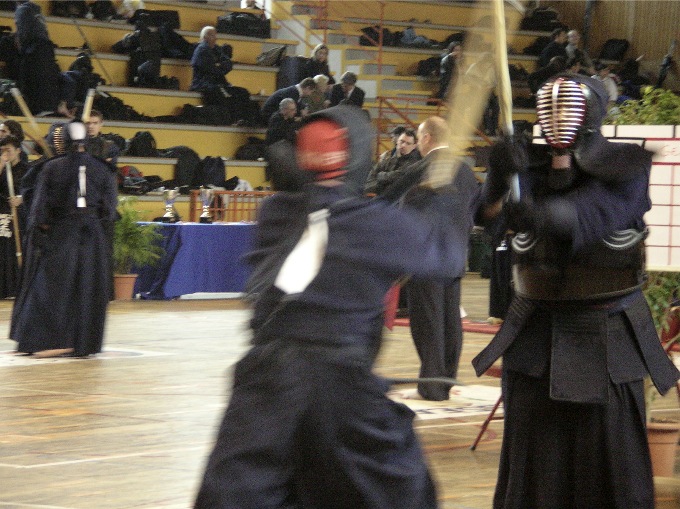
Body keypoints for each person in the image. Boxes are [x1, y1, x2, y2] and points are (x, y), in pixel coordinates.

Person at [193, 106, 472, 508]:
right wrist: (444, 205)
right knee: (401, 493)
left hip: (265, 385)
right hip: (342, 390)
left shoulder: (275, 214)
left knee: (241, 494)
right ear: (358, 157)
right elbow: (446, 259)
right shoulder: (374, 225)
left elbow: (335, 213)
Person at [472, 74, 680, 507]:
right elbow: (487, 218)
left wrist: (538, 214)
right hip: (535, 334)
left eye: (567, 106)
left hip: (606, 334)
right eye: (548, 106)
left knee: (607, 461)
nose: (556, 116)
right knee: (534, 461)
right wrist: (497, 177)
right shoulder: (528, 169)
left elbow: (591, 215)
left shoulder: (626, 168)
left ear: (591, 112)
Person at [10, 122, 118, 358]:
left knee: (50, 287)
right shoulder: (103, 168)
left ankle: (49, 341)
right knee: (87, 289)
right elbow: (110, 211)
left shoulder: (52, 167)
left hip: (62, 233)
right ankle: (82, 343)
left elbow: (40, 209)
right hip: (93, 237)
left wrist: (40, 232)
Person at [392, 117, 480, 401]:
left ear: (427, 138)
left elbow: (402, 212)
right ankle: (446, 379)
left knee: (428, 324)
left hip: (426, 257)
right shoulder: (465, 171)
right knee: (450, 322)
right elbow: (472, 212)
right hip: (454, 256)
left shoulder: (422, 169)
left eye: (419, 138)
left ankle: (431, 386)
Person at [190, 26, 257, 125]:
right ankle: (234, 120)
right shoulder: (202, 50)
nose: (216, 38)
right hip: (205, 85)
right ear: (205, 37)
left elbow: (228, 64)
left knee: (243, 92)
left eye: (215, 35)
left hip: (217, 84)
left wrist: (219, 66)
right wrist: (220, 67)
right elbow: (213, 70)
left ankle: (244, 120)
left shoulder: (216, 49)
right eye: (212, 36)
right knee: (228, 96)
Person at [14, 0, 62, 114]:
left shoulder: (22, 10)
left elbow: (23, 34)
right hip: (46, 51)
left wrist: (21, 49)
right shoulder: (37, 10)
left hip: (33, 52)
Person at [0, 135, 27, 297]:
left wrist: (20, 199)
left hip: (19, 216)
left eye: (8, 150)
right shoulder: (2, 168)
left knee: (14, 249)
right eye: (2, 150)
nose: (5, 153)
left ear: (18, 151)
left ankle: (16, 287)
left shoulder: (27, 170)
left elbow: (32, 191)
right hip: (2, 212)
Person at [364, 128, 421, 196]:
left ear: (414, 146)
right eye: (402, 141)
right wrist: (370, 190)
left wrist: (380, 175)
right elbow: (373, 173)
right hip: (377, 195)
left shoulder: (415, 162)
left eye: (408, 143)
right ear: (397, 141)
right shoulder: (388, 156)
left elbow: (397, 177)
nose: (403, 145)